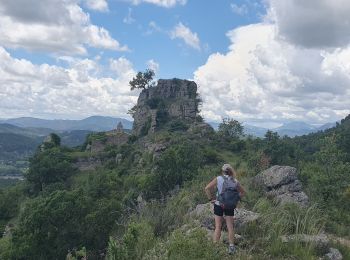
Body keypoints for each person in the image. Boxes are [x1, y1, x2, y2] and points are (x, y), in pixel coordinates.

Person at [204, 163, 245, 254]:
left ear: (223, 171)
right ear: (231, 171)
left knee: (218, 226)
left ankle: (215, 248)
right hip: (230, 206)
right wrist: (235, 200)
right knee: (230, 227)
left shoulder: (219, 178)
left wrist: (211, 199)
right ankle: (231, 248)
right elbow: (243, 192)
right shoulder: (235, 181)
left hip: (218, 204)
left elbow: (207, 188)